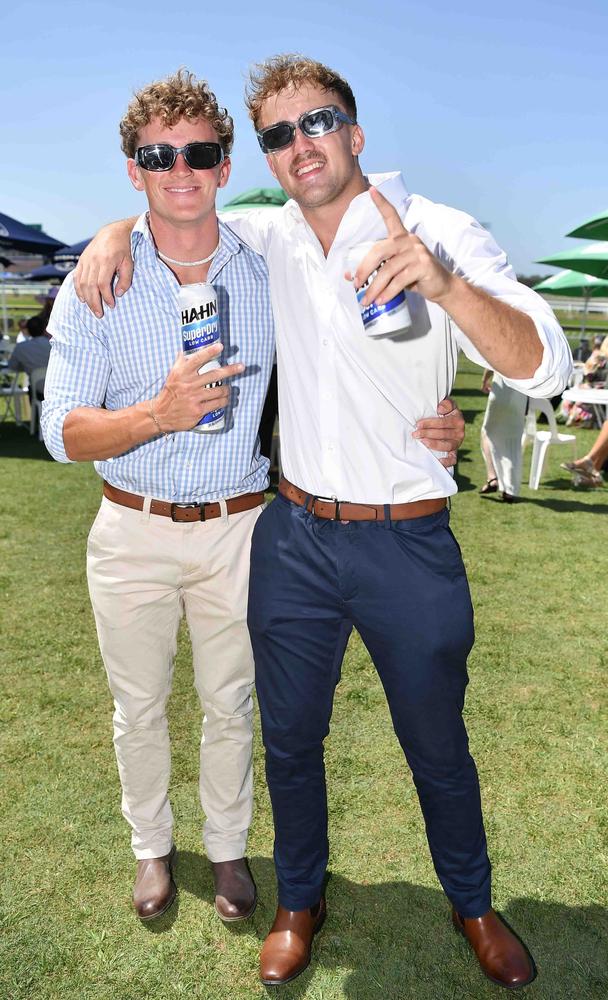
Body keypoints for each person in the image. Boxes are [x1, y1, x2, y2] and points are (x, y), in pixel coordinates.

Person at [74, 55, 571, 989]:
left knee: (437, 745)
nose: (297, 145)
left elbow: (546, 367)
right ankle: (299, 901)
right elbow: (179, 210)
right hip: (295, 534)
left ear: (354, 133)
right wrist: (112, 233)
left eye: (316, 122)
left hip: (408, 539)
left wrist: (446, 286)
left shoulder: (437, 229)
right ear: (260, 154)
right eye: (276, 134)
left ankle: (471, 903)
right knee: (292, 742)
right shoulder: (268, 235)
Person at [42, 69, 277, 925]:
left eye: (200, 152)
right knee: (136, 707)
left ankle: (226, 848)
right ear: (135, 169)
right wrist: (158, 415)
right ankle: (150, 848)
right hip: (131, 527)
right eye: (159, 154)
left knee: (232, 703)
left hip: (239, 528)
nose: (181, 168)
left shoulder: (267, 266)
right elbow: (61, 432)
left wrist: (429, 410)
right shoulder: (96, 280)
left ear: (223, 167)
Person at [479, 369, 527, 502]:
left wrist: (484, 380)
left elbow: (490, 363)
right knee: (512, 442)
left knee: (486, 433)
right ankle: (509, 491)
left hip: (502, 392)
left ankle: (492, 477)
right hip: (521, 395)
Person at [8, 314, 51, 398]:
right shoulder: (53, 345)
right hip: (57, 388)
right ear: (44, 329)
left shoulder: (21, 347)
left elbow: (12, 366)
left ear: (28, 330)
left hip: (37, 391)